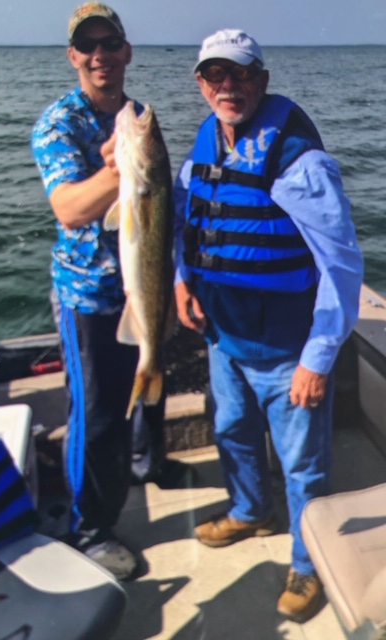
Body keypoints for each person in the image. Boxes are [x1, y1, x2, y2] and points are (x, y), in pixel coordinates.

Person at [173, 29, 363, 622]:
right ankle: (252, 509)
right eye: (214, 76)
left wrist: (318, 356)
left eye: (240, 74)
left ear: (262, 80)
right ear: (201, 84)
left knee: (303, 465)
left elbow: (341, 266)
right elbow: (186, 225)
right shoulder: (203, 147)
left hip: (287, 349)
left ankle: (310, 565)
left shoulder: (300, 163)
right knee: (230, 431)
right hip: (223, 339)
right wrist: (182, 279)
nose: (227, 86)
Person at [31, 2, 168, 580]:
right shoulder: (58, 122)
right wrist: (119, 172)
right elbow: (68, 208)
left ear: (127, 51)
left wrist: (179, 276)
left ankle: (145, 468)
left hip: (147, 285)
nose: (99, 55)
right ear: (73, 58)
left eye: (109, 42)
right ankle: (91, 532)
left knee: (151, 396)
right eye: (87, 47)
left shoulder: (138, 117)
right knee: (98, 415)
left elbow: (163, 207)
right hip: (88, 298)